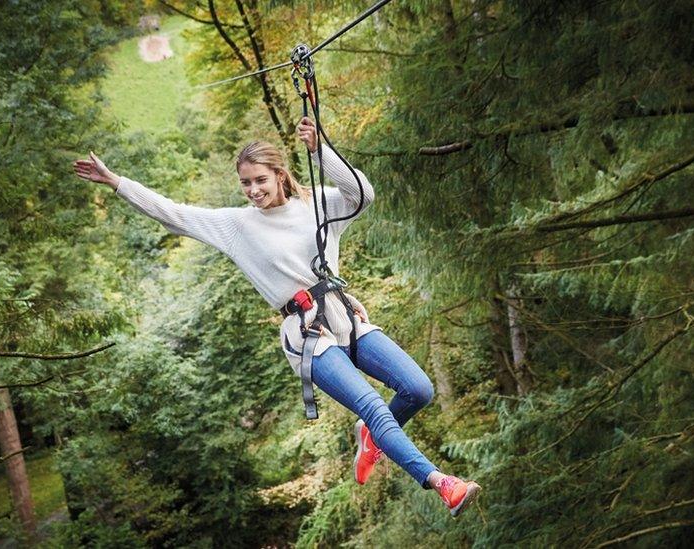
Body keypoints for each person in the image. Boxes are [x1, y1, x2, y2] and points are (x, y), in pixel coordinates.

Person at [72, 116, 481, 517]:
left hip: (344, 316)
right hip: (307, 335)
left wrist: (320, 150)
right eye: (245, 183)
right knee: (373, 406)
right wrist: (117, 183)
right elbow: (174, 214)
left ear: (280, 176)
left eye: (260, 180)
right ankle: (439, 482)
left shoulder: (316, 204)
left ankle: (373, 439)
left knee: (418, 389)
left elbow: (362, 195)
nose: (252, 190)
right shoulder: (237, 226)